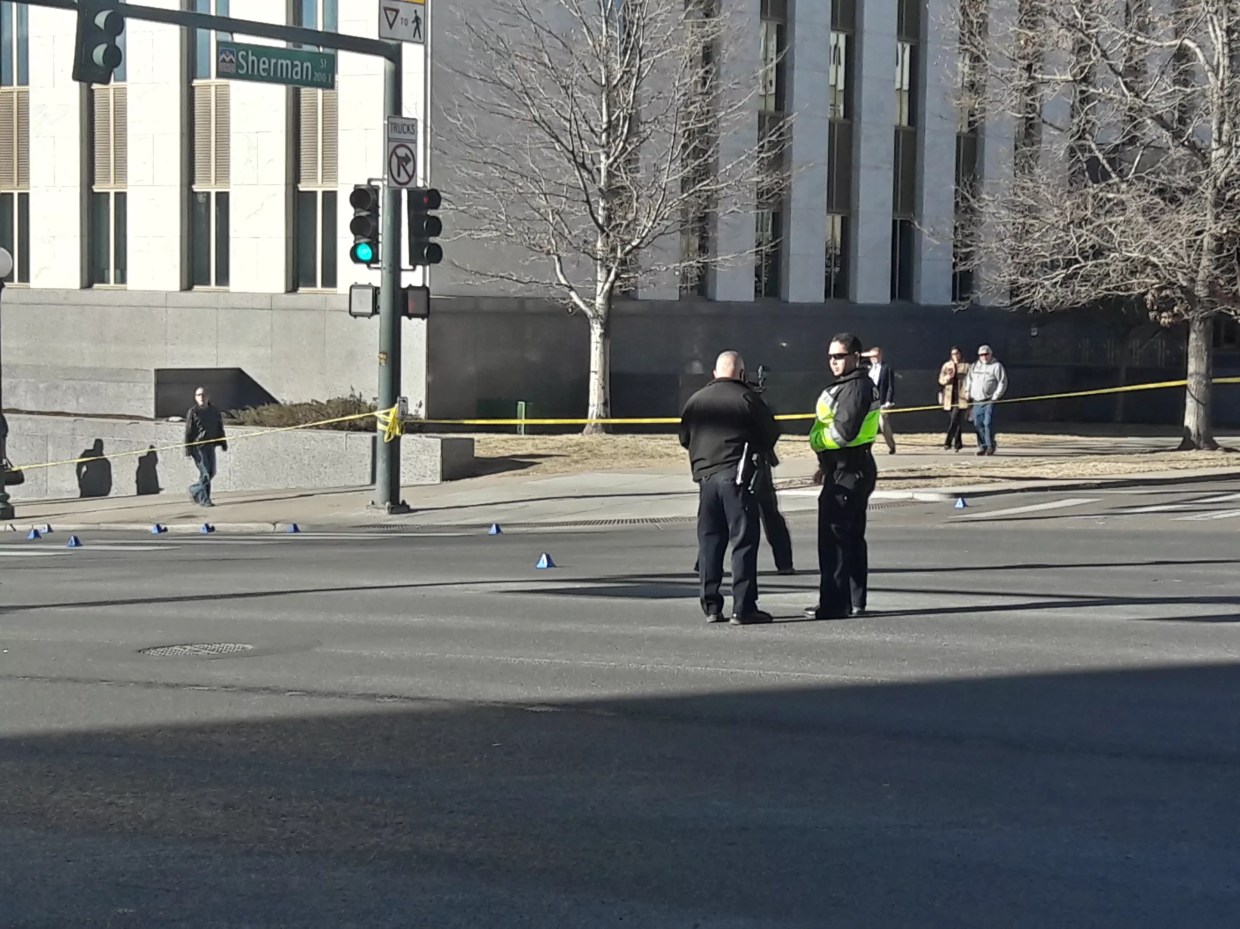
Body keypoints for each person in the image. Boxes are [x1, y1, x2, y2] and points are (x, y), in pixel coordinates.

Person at [679, 351, 782, 625]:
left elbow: (684, 438)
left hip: (706, 480)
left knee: (710, 543)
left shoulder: (695, 400)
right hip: (737, 478)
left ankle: (711, 606)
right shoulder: (748, 399)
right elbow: (771, 434)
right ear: (741, 373)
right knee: (743, 542)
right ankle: (743, 607)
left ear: (715, 373)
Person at [804, 333, 880, 620]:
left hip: (849, 469)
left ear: (855, 357)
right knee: (851, 538)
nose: (833, 362)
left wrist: (817, 441)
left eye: (839, 356)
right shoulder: (851, 385)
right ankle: (854, 600)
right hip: (847, 467)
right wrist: (825, 465)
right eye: (830, 356)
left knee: (834, 540)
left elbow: (844, 432)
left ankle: (835, 604)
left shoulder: (856, 387)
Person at [184, 386, 228, 506]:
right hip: (198, 447)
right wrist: (187, 448)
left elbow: (219, 427)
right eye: (199, 395)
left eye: (203, 395)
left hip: (210, 445)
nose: (201, 397)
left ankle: (194, 490)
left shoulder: (214, 411)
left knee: (211, 472)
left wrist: (223, 442)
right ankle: (205, 500)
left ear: (208, 397)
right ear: (195, 398)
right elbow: (188, 431)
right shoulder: (193, 412)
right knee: (205, 474)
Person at [967, 344, 1008, 456]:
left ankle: (990, 446)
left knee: (987, 423)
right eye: (981, 355)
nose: (984, 357)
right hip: (977, 400)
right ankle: (982, 446)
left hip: (989, 400)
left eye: (986, 354)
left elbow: (1002, 382)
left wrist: (996, 396)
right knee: (978, 424)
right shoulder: (975, 366)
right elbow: (969, 380)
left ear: (990, 354)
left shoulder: (997, 366)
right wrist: (968, 392)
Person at [863, 346, 897, 454]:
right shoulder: (867, 368)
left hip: (882, 402)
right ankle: (867, 448)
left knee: (883, 424)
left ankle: (891, 446)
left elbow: (890, 386)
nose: (874, 358)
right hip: (870, 402)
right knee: (869, 426)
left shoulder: (886, 368)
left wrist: (888, 401)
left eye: (876, 356)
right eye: (872, 356)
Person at [938, 346, 969, 451]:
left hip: (961, 398)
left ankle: (948, 442)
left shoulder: (966, 366)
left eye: (957, 353)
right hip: (949, 397)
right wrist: (947, 378)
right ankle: (958, 444)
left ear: (960, 354)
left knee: (955, 419)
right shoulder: (947, 366)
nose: (955, 356)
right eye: (953, 354)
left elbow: (970, 380)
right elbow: (940, 380)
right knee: (956, 421)